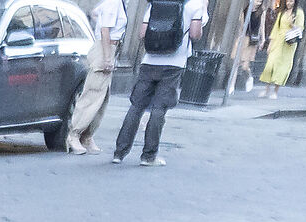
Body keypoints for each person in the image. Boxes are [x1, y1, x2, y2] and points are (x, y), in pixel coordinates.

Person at [112, 0, 207, 165]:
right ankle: (148, 156)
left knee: (136, 107)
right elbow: (195, 34)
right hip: (174, 63)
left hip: (149, 61)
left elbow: (142, 33)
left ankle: (119, 153)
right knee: (159, 110)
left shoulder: (155, 3)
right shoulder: (195, 5)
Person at [67, 0, 121, 150]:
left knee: (102, 97)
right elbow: (105, 30)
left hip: (110, 48)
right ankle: (74, 134)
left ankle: (87, 135)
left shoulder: (115, 4)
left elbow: (95, 13)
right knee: (92, 94)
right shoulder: (114, 4)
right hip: (106, 48)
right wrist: (107, 57)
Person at [259, 0, 301, 88]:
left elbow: (300, 29)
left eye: (291, 1)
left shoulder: (299, 13)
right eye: (287, 1)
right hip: (277, 41)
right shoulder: (282, 12)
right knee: (270, 64)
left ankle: (275, 90)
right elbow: (276, 28)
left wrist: (292, 24)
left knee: (282, 67)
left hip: (289, 43)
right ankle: (266, 88)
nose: (288, 3)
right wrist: (270, 44)